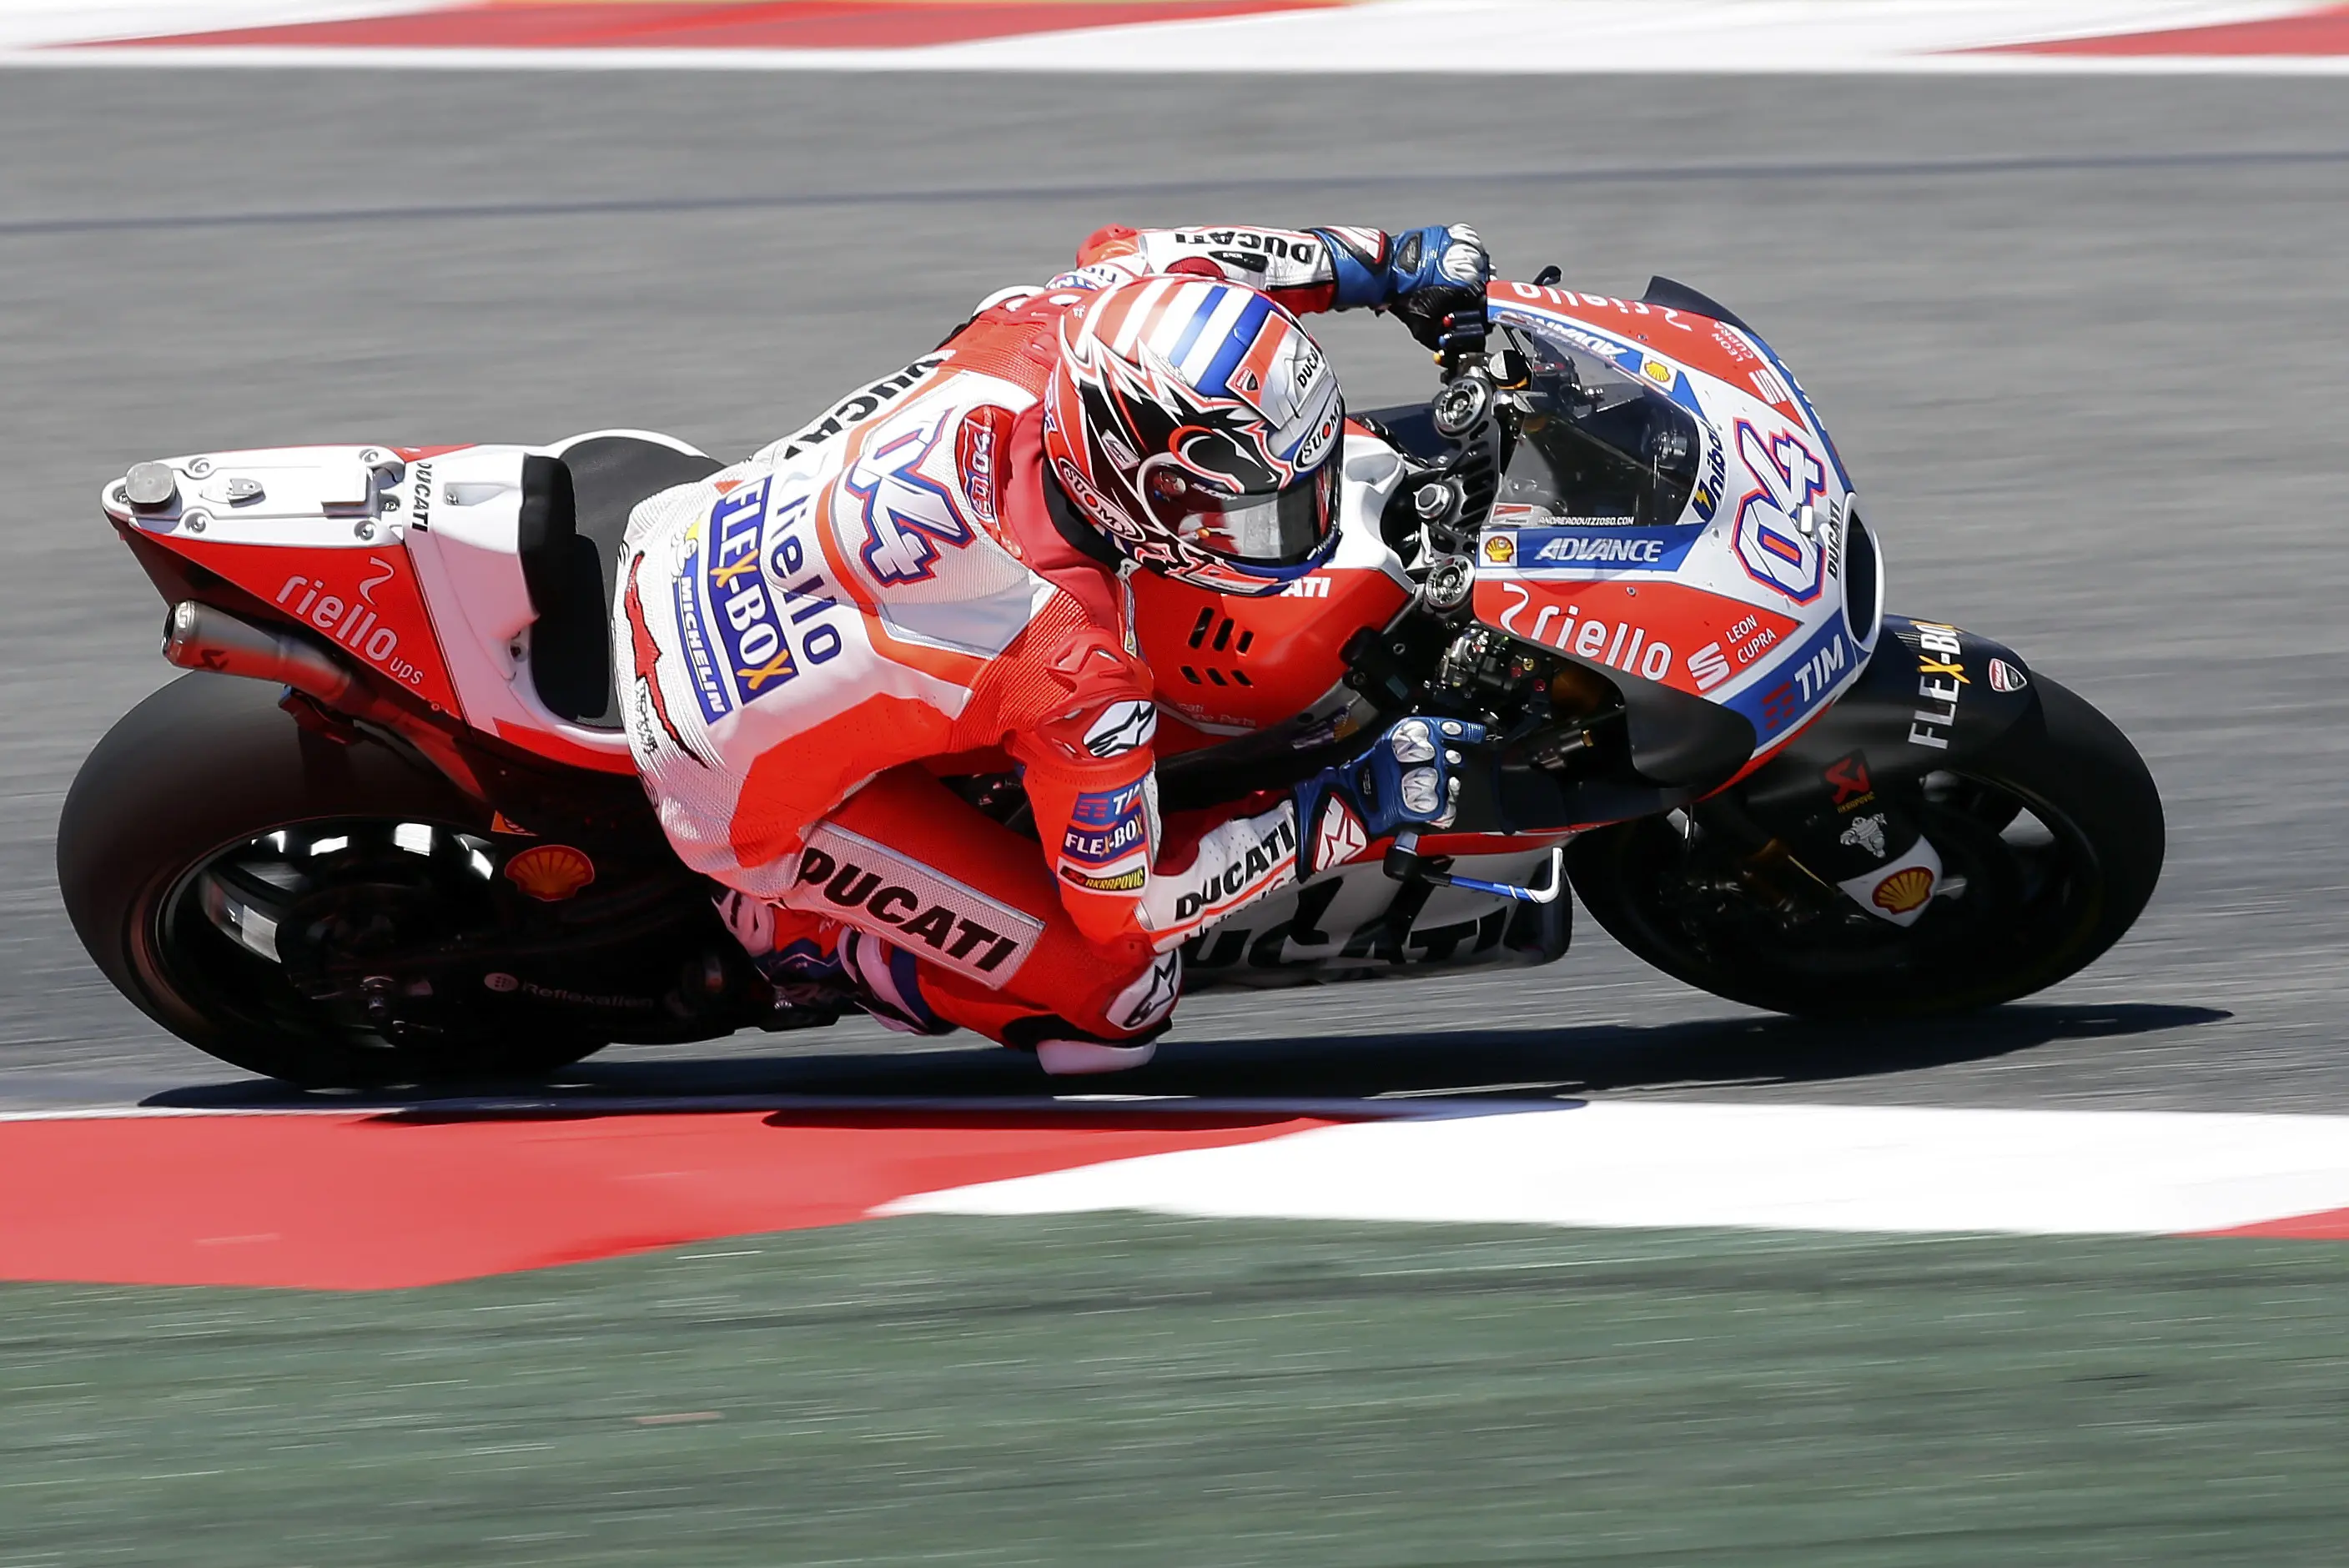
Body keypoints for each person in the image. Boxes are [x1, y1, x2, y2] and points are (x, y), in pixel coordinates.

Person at [616, 223, 1491, 1074]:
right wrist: (1341, 813)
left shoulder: (1046, 328)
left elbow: (1159, 256)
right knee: (1119, 999)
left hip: (684, 540)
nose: (1292, 523)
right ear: (1144, 485)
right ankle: (816, 939)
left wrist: (1384, 264)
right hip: (717, 775)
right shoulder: (1073, 664)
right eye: (1260, 507)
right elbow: (1124, 907)